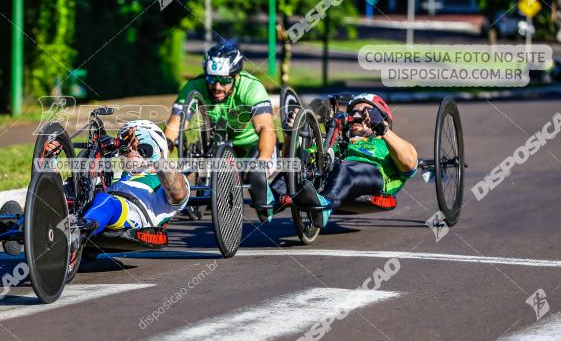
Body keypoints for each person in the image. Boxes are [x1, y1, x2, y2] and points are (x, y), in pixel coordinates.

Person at [164, 44, 279, 222]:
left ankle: (265, 199)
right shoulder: (195, 85)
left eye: (225, 81)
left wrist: (262, 162)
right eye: (212, 79)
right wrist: (161, 156)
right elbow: (175, 125)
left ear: (236, 76)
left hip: (252, 146)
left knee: (255, 175)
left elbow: (266, 129)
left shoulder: (251, 87)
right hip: (218, 143)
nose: (217, 86)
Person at [46, 120, 190, 260]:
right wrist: (50, 159)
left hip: (138, 216)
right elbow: (61, 192)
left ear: (158, 147)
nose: (131, 148)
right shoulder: (111, 177)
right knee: (74, 190)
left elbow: (178, 194)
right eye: (126, 145)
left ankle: (74, 233)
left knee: (106, 201)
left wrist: (156, 158)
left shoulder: (166, 180)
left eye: (140, 143)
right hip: (99, 209)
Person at [293, 94, 419, 228]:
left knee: (345, 167)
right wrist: (293, 131)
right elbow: (300, 157)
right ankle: (270, 200)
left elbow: (410, 164)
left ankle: (325, 205)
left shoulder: (387, 144)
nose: (357, 115)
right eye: (353, 112)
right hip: (332, 174)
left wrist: (382, 128)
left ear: (384, 119)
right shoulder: (336, 143)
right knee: (295, 166)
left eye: (365, 112)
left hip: (372, 176)